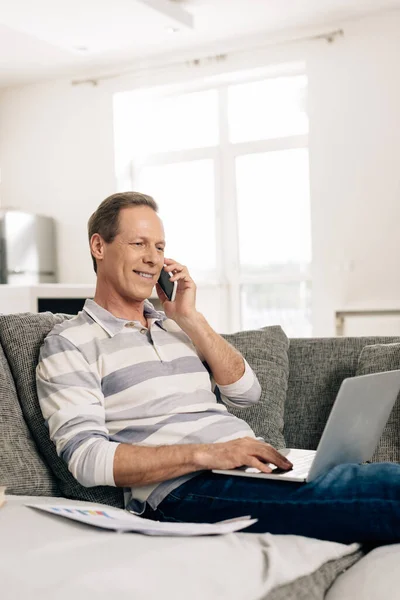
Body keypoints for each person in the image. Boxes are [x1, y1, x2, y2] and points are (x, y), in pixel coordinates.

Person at [36, 191, 400, 544]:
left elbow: (247, 393)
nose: (153, 259)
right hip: (184, 490)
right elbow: (86, 460)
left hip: (244, 467)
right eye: (138, 244)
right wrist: (209, 453)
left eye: (160, 248)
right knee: (385, 491)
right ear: (99, 246)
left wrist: (191, 318)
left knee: (379, 477)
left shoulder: (176, 326)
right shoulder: (69, 343)